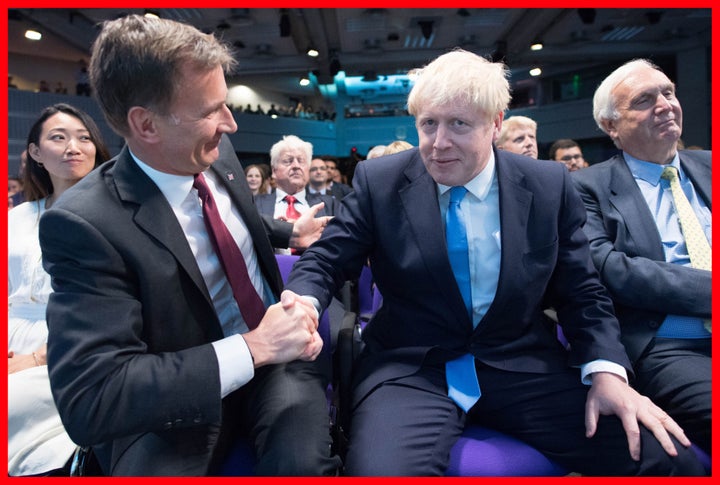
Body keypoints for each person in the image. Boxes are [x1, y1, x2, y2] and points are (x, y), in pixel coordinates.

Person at [284, 49, 704, 476]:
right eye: (429, 123)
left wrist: (606, 372)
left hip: (521, 364)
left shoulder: (547, 185)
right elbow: (326, 259)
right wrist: (302, 301)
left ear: (496, 123)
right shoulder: (382, 181)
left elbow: (582, 291)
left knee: (666, 458)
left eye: (459, 124)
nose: (439, 142)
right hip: (412, 369)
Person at [38, 15, 339, 476]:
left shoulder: (215, 152)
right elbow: (92, 398)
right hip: (178, 400)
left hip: (278, 367)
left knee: (301, 463)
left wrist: (288, 234)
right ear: (146, 125)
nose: (231, 124)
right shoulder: (85, 224)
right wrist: (254, 346)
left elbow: (230, 217)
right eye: (209, 111)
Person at [571, 59, 711, 455]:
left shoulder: (711, 166)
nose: (665, 104)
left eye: (668, 92)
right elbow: (609, 268)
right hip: (670, 346)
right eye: (645, 100)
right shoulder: (586, 187)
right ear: (611, 127)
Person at [8, 103, 111, 476]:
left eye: (84, 138)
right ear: (35, 152)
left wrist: (33, 359)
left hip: (67, 348)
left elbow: (102, 310)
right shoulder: (16, 217)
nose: (73, 147)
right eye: (59, 137)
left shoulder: (111, 218)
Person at [255, 135, 336, 224]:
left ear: (308, 169)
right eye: (288, 161)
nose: (296, 166)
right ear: (274, 171)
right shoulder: (255, 203)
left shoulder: (329, 204)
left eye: (301, 161)